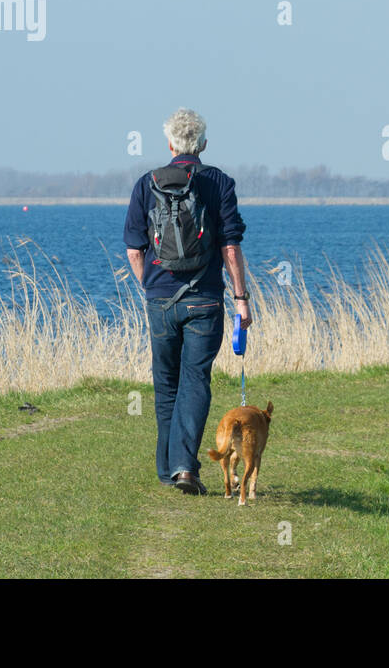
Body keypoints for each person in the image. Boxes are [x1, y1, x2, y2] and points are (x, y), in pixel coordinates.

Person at [123, 108, 252, 495]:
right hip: (205, 301)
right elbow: (230, 246)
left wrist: (153, 288)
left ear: (169, 145)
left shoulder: (147, 184)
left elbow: (133, 249)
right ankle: (183, 467)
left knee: (166, 383)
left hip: (159, 300)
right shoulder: (219, 183)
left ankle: (169, 469)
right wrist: (241, 299)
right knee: (195, 379)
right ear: (204, 145)